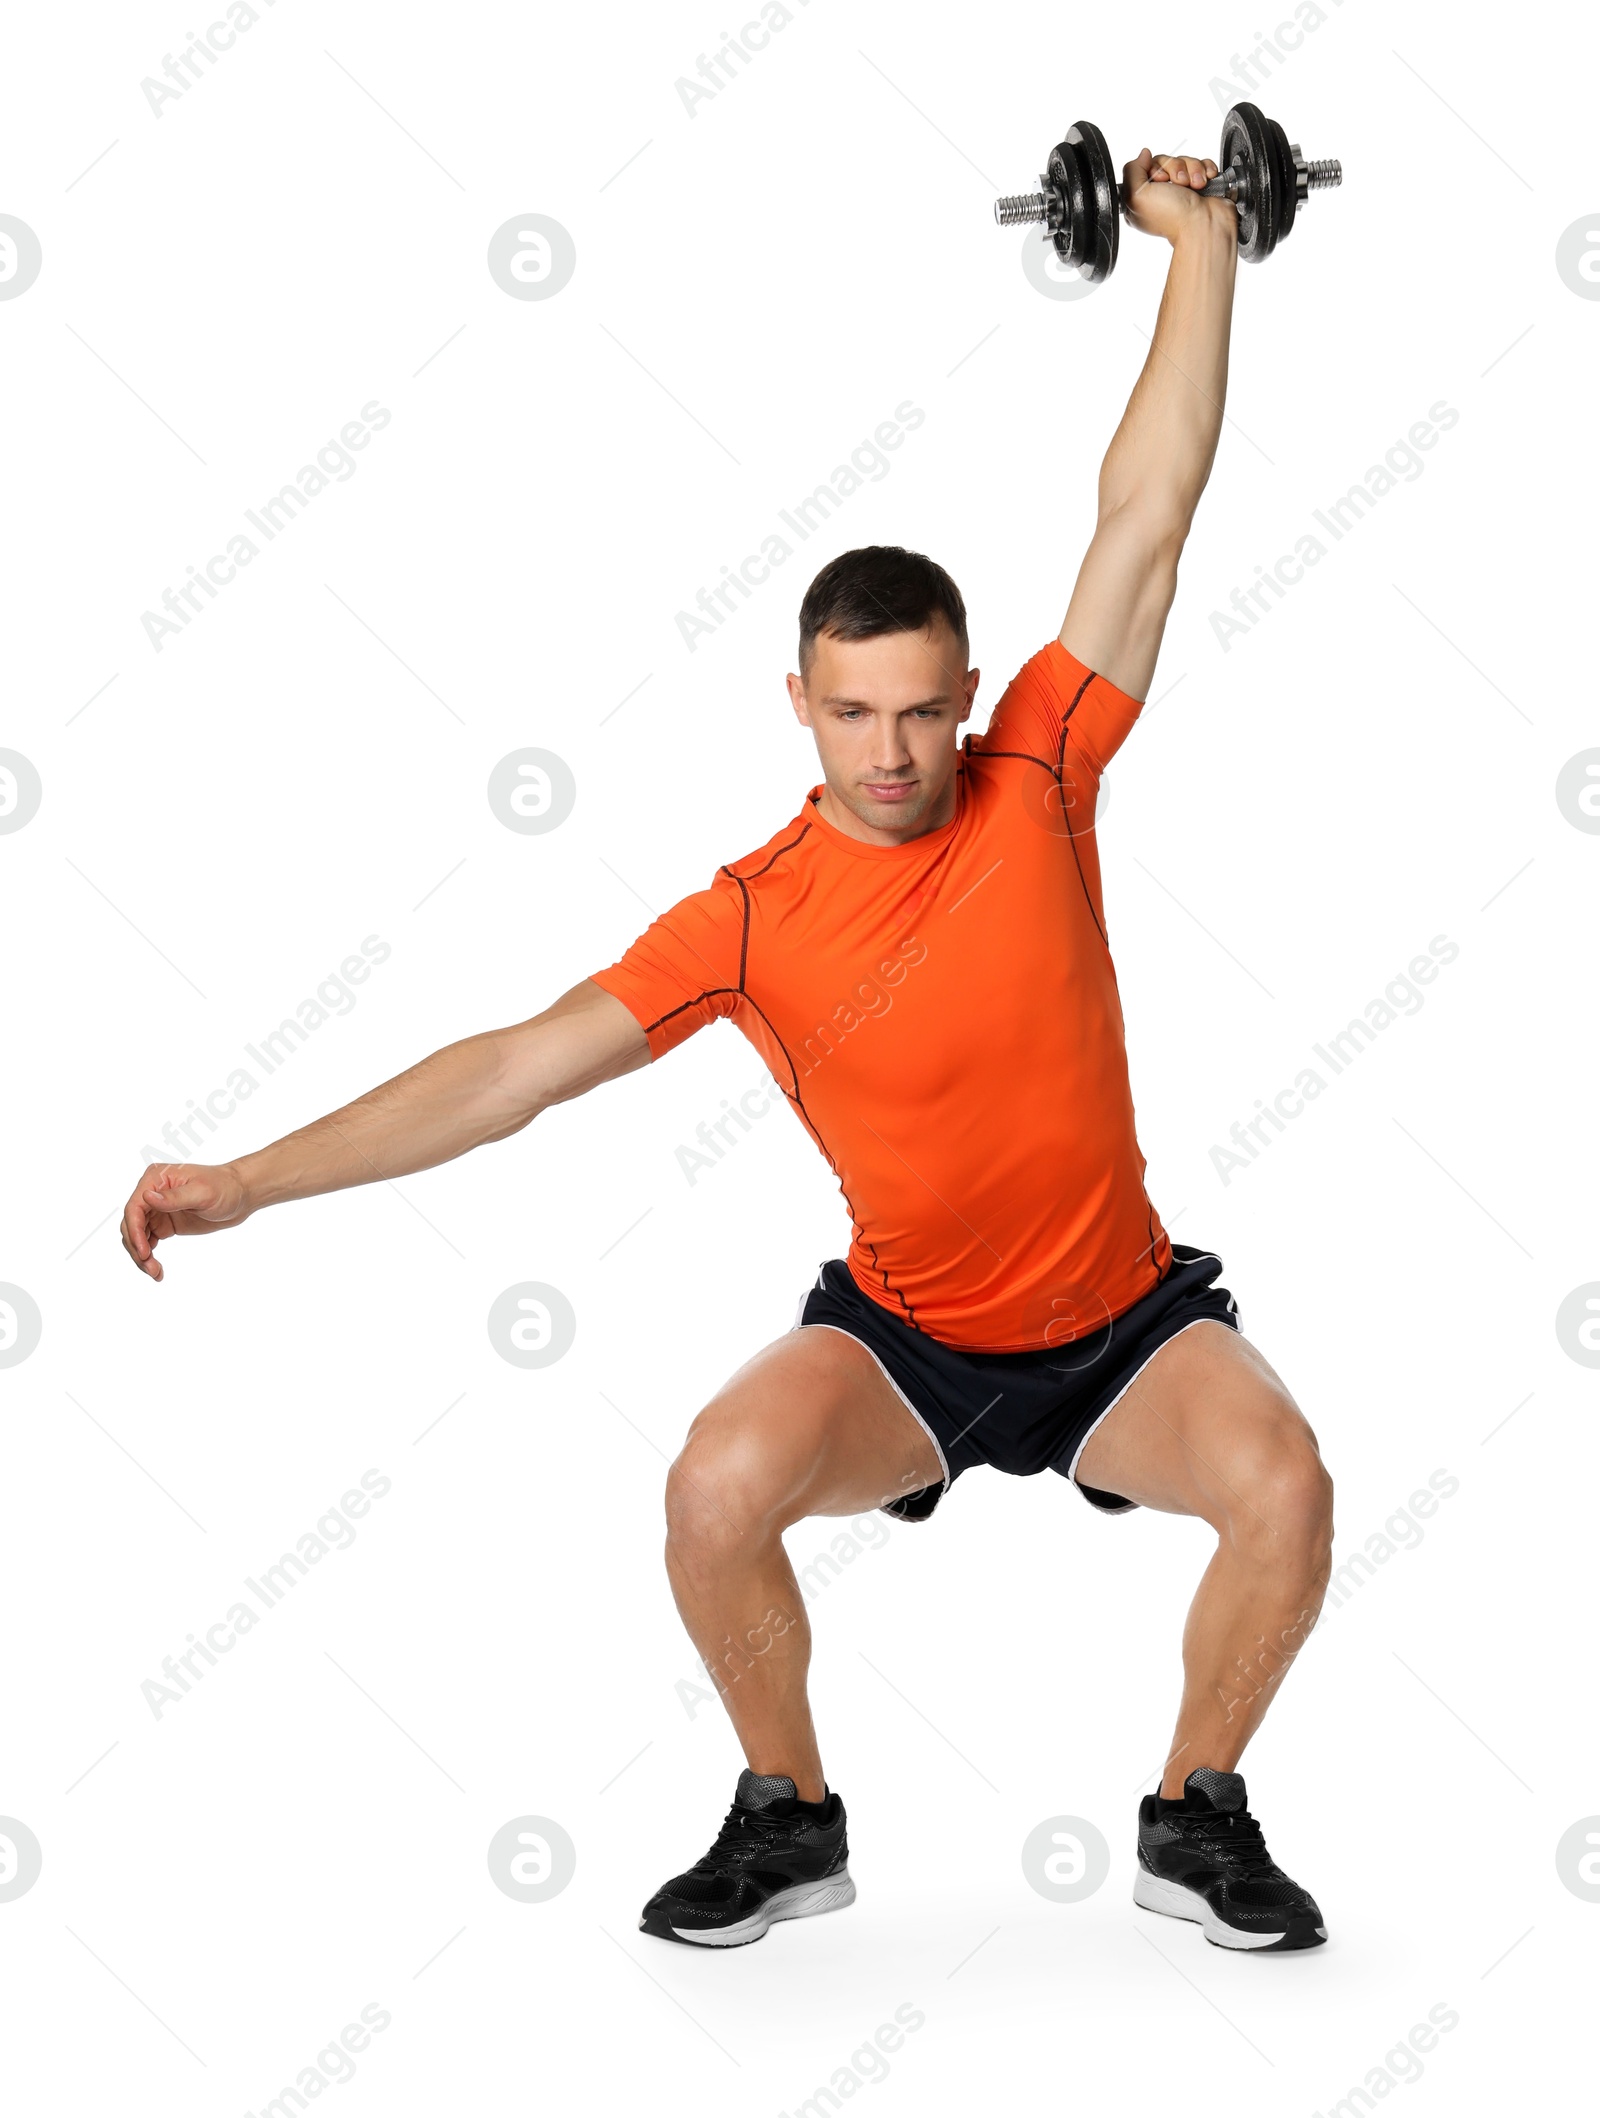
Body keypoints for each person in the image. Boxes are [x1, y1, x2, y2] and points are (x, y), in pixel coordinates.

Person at [119, 149, 1334, 1955]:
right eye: (857, 711)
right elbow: (509, 1071)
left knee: (1287, 1488)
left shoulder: (1044, 776)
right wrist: (250, 1177)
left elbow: (1150, 507)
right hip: (909, 1343)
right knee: (714, 1483)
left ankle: (1196, 1809)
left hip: (1123, 1325)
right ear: (801, 704)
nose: (899, 748)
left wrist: (1207, 244)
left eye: (927, 704)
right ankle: (789, 1813)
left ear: (966, 685)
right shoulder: (751, 921)